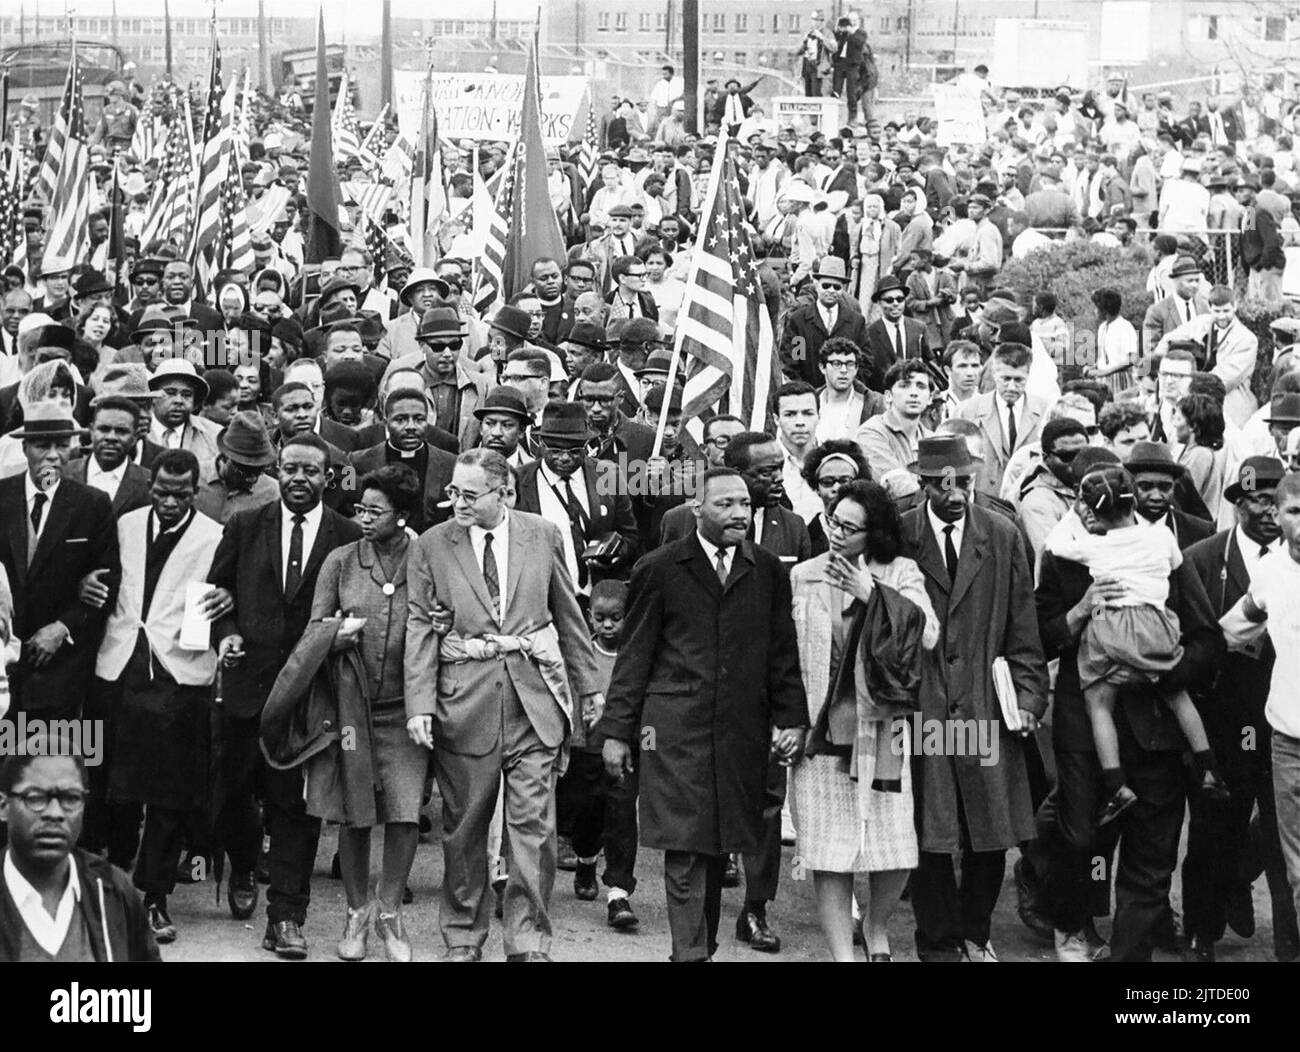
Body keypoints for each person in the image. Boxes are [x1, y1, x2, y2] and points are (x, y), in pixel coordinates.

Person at [599, 467, 808, 962]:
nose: (739, 514)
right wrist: (616, 732)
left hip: (742, 731)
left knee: (720, 846)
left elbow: (783, 653)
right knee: (687, 846)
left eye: (745, 505)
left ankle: (701, 949)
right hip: (674, 731)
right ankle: (689, 955)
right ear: (697, 509)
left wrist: (792, 719)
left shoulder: (768, 571)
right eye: (726, 504)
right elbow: (635, 656)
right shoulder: (660, 567)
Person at [404, 449, 602, 961]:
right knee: (465, 828)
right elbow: (421, 627)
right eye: (452, 492)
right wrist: (419, 704)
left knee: (532, 829)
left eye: (469, 495)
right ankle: (463, 937)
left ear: (505, 493)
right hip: (464, 704)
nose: (458, 503)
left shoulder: (543, 534)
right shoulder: (431, 545)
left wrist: (589, 687)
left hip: (534, 703)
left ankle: (528, 941)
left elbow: (567, 613)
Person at [206, 434, 364, 958]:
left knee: (296, 807)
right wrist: (225, 631)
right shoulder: (246, 524)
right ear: (278, 469)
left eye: (311, 471)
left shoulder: (347, 537)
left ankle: (286, 918)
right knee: (231, 795)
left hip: (310, 693)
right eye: (291, 469)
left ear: (328, 478)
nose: (300, 479)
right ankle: (245, 863)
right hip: (247, 688)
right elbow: (217, 591)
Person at [900, 435, 1048, 961]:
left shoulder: (1002, 534)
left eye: (965, 481)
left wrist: (1030, 697)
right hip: (922, 705)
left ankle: (974, 931)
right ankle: (937, 942)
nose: (957, 493)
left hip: (986, 701)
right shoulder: (898, 535)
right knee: (930, 830)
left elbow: (1022, 627)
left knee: (989, 827)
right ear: (923, 483)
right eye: (945, 483)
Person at [790, 480, 938, 961]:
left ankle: (875, 925)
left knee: (893, 847)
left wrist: (871, 592)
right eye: (834, 521)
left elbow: (929, 635)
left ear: (875, 534)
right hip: (821, 725)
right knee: (828, 851)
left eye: (851, 528)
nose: (838, 533)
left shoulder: (901, 571)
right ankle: (842, 955)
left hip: (882, 728)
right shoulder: (805, 575)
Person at [1043, 466, 1228, 826]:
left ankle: (1116, 785)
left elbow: (1056, 543)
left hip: (1112, 635)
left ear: (1089, 509)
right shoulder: (1162, 539)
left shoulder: (1092, 547)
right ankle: (1208, 765)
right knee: (1179, 699)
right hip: (1157, 629)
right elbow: (1174, 562)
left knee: (1098, 702)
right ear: (1133, 502)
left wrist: (1074, 517)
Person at [89, 449, 221, 945]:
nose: (169, 501)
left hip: (178, 672)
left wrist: (223, 601)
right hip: (119, 664)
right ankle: (116, 885)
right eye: (162, 491)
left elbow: (221, 593)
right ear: (150, 486)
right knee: (114, 786)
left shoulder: (214, 536)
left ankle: (155, 897)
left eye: (181, 494)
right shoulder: (124, 524)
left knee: (167, 793)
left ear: (196, 489)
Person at [307, 465, 428, 962]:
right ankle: (356, 912)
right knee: (356, 815)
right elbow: (315, 628)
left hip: (407, 711)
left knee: (404, 816)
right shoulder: (340, 561)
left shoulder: (426, 558)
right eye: (361, 509)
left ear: (401, 516)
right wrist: (334, 636)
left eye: (376, 511)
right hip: (352, 709)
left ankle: (389, 912)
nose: (364, 518)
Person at [1183, 458, 1300, 962]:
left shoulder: (1286, 560)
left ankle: (1287, 943)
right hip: (1227, 714)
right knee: (1215, 824)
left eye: (1280, 500)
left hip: (1282, 719)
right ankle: (1200, 931)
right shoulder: (1204, 557)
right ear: (1238, 502)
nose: (1269, 511)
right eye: (1259, 499)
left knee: (1280, 840)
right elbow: (1214, 633)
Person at [1220, 472, 1300, 964]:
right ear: (1278, 513)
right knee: (1297, 870)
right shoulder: (1271, 573)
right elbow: (1232, 627)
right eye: (1294, 511)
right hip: (1288, 743)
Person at [0, 403, 117, 719]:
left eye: (62, 445)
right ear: (24, 448)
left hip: (59, 670)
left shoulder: (92, 505)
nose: (53, 455)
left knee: (49, 763)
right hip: (2, 664)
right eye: (42, 445)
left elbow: (107, 585)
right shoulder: (2, 497)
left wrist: (63, 626)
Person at [0, 748, 160, 962]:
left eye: (71, 798)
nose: (55, 813)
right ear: (4, 806)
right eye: (35, 797)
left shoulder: (112, 890)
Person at [555, 577, 641, 929]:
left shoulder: (636, 657)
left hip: (625, 754)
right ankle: (586, 861)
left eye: (616, 618)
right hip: (584, 750)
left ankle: (619, 893)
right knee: (584, 814)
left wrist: (646, 747)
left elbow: (646, 711)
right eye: (600, 617)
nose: (608, 625)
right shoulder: (582, 653)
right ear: (589, 617)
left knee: (621, 818)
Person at [956, 342, 1048, 498]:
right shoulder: (967, 411)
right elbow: (950, 463)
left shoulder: (1045, 410)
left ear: (1028, 375)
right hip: (983, 503)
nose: (1011, 387)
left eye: (1019, 380)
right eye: (1005, 379)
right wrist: (951, 492)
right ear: (993, 373)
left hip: (1028, 502)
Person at [65, 395, 152, 518]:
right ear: (91, 431)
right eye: (104, 429)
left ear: (134, 437)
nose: (111, 437)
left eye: (121, 431)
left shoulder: (148, 482)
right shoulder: (62, 472)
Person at [801, 441, 871, 556]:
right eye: (827, 482)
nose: (837, 488)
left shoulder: (871, 532)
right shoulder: (805, 535)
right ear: (817, 488)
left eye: (845, 481)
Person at [1172, 392, 1227, 517]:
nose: (1174, 424)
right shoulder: (1190, 451)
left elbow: (1182, 497)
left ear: (1193, 426)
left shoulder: (1200, 455)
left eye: (1179, 419)